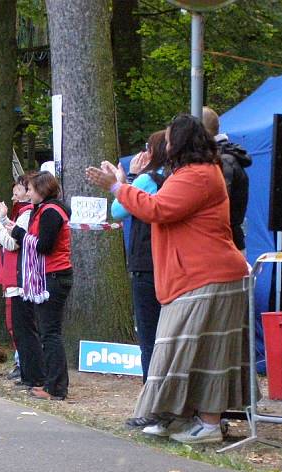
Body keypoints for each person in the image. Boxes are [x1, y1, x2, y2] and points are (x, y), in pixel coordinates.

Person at [86, 113, 249, 444]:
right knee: (184, 351)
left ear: (184, 142)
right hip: (195, 277)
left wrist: (118, 187)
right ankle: (179, 416)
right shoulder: (191, 173)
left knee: (205, 351)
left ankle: (208, 423)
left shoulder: (199, 175)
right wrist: (125, 183)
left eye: (171, 138)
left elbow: (156, 209)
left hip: (209, 276)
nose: (166, 143)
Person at [109, 131, 168, 428]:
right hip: (169, 266)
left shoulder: (148, 180)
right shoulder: (174, 178)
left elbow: (118, 210)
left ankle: (150, 406)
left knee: (150, 338)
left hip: (146, 265)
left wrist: (129, 179)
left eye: (146, 147)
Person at [3, 171, 73, 401]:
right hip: (48, 276)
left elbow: (43, 246)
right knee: (48, 332)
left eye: (31, 189)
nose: (28, 193)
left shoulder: (51, 212)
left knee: (50, 333)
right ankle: (55, 384)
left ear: (42, 190)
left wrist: (17, 232)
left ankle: (56, 387)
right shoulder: (43, 210)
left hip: (53, 276)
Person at [0, 174, 44, 388]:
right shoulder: (25, 214)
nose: (15, 194)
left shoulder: (28, 214)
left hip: (20, 280)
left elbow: (11, 242)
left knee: (23, 329)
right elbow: (15, 232)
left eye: (21, 189)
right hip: (17, 278)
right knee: (19, 328)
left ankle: (30, 372)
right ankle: (26, 369)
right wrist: (1, 219)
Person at [202, 107, 252, 253]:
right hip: (227, 241)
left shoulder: (223, 161)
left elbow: (218, 204)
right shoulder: (225, 158)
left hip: (224, 243)